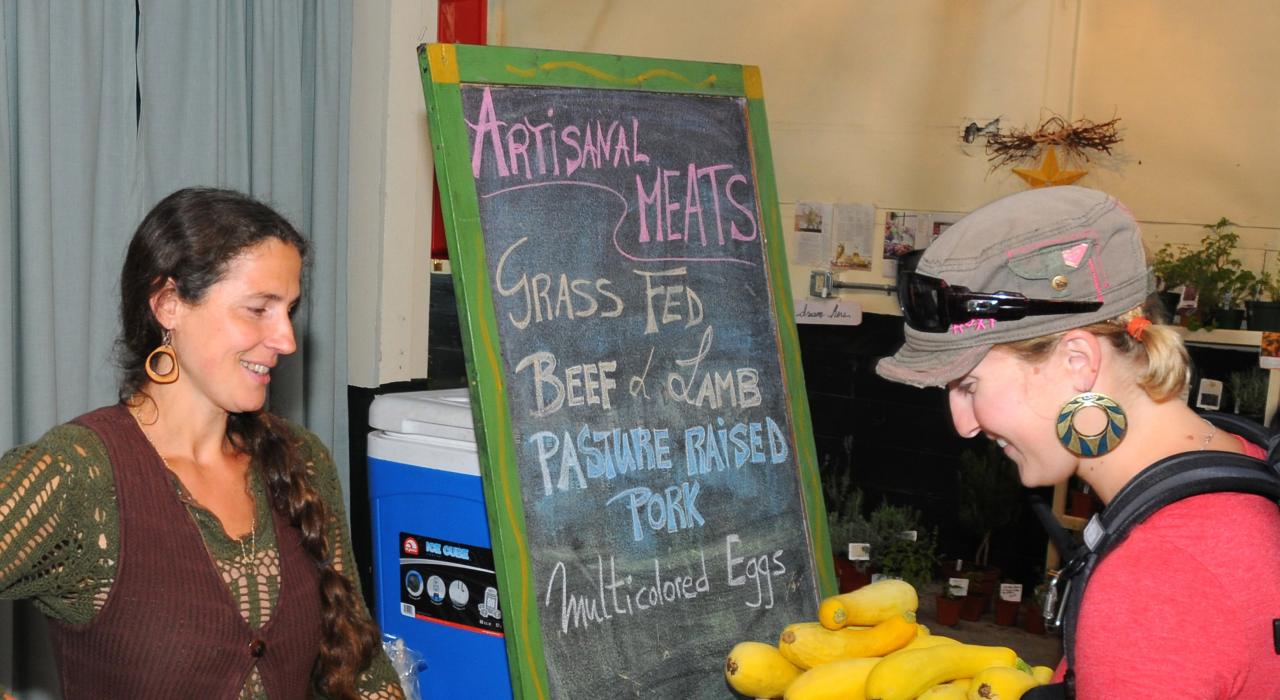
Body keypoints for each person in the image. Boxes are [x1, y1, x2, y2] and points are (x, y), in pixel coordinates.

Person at [0, 188, 405, 699]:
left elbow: (361, 671)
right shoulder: (79, 474)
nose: (286, 339)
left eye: (289, 310)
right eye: (258, 308)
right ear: (169, 304)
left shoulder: (302, 459)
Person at [876, 186, 1280, 697]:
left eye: (969, 386)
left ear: (1077, 362)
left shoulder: (1157, 582)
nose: (964, 425)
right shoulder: (1240, 459)